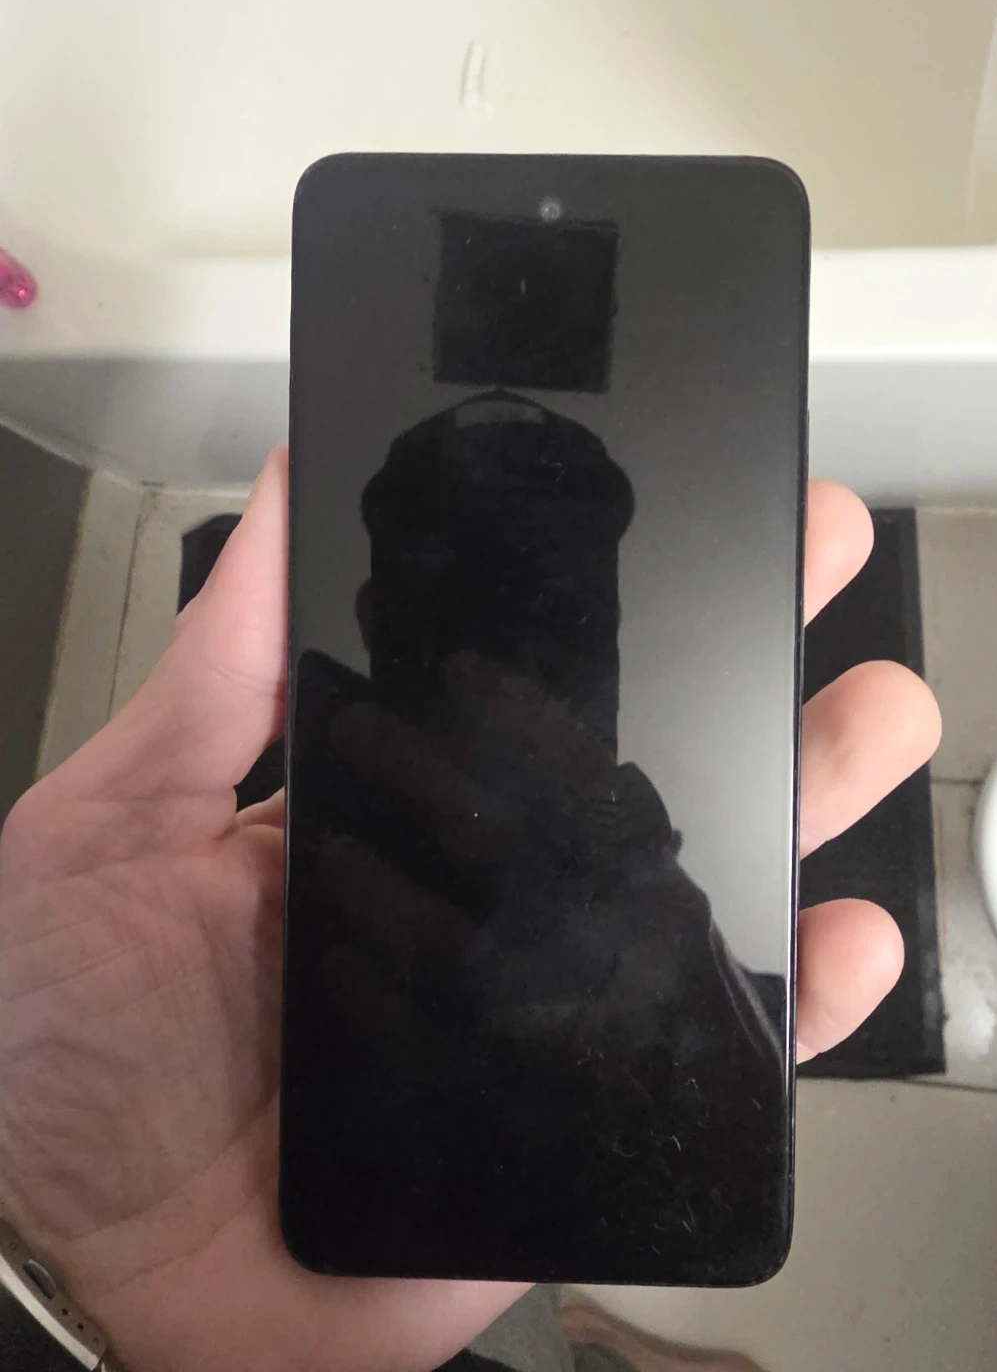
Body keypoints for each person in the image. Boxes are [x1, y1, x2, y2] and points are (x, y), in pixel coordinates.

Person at [0, 449, 940, 1372]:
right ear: (376, 616)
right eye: (461, 600)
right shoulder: (330, 766)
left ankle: (586, 1351)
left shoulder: (636, 850)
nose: (513, 651)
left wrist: (61, 1293)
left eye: (559, 610)